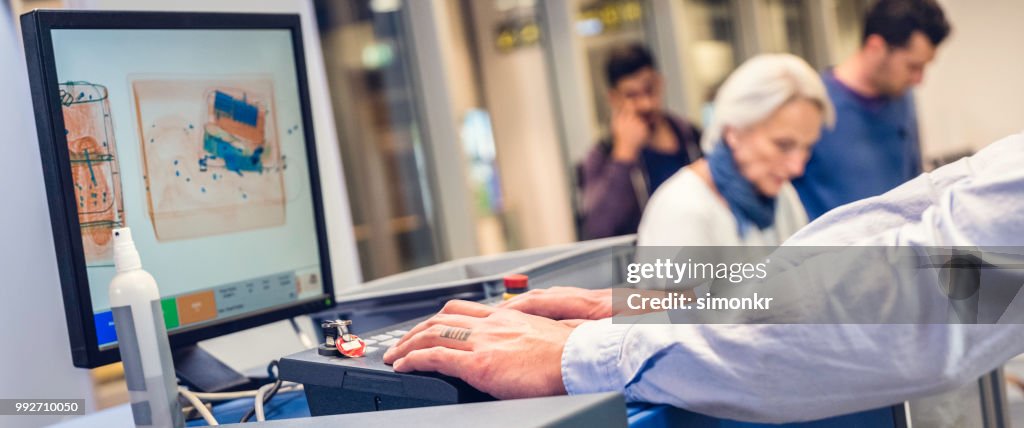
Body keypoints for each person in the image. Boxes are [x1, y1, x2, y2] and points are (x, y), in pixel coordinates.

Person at [382, 132, 1024, 423]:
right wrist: (670, 309)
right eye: (782, 143)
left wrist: (587, 353)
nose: (797, 163)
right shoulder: (684, 202)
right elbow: (914, 243)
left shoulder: (781, 198)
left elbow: (937, 293)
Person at [637, 54, 833, 246]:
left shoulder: (782, 195)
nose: (797, 168)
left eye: (807, 147)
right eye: (782, 145)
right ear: (734, 132)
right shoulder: (682, 209)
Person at [793, 0, 951, 220]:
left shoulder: (903, 99)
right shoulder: (813, 106)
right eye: (912, 66)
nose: (919, 80)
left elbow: (913, 185)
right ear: (876, 47)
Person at [577, 44, 702, 239]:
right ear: (614, 98)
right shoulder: (601, 156)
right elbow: (598, 230)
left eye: (649, 90)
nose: (646, 104)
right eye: (631, 95)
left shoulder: (692, 138)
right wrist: (624, 155)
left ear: (660, 83)